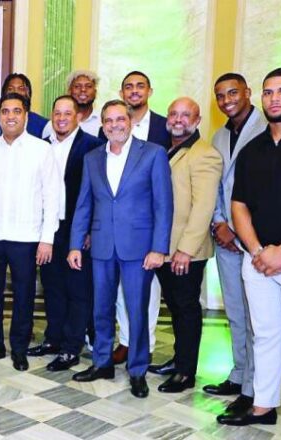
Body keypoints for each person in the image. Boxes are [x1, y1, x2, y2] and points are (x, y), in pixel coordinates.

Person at [69, 99, 173, 398]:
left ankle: (137, 369)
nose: (114, 125)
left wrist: (159, 248)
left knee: (137, 310)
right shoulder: (92, 158)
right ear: (103, 125)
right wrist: (75, 244)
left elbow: (163, 205)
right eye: (109, 120)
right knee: (101, 308)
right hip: (102, 245)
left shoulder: (153, 154)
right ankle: (102, 362)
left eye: (120, 119)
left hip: (139, 248)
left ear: (130, 122)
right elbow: (84, 204)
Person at [219, 68, 281, 438]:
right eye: (269, 92)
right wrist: (256, 251)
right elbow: (238, 204)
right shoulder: (253, 149)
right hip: (257, 262)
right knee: (264, 335)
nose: (274, 99)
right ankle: (263, 406)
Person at [0, 92, 61, 371]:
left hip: (27, 238)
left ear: (26, 116)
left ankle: (19, 348)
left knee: (24, 296)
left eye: (16, 111)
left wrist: (47, 239)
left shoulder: (42, 150)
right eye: (5, 111)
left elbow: (52, 198)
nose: (10, 116)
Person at [149, 97, 221, 392]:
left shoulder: (204, 154)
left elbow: (204, 206)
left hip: (185, 251)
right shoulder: (168, 149)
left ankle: (186, 372)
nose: (178, 120)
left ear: (197, 120)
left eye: (185, 115)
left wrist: (186, 250)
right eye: (173, 114)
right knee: (176, 307)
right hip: (166, 248)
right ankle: (179, 360)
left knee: (187, 308)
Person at [206, 72, 266, 420]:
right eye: (220, 95)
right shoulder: (219, 135)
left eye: (233, 92)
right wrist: (219, 223)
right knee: (235, 313)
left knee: (258, 318)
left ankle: (253, 389)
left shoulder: (267, 129)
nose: (226, 100)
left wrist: (241, 231)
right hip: (226, 240)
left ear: (247, 92)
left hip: (256, 240)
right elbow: (217, 185)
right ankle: (239, 373)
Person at [27, 95, 102, 371]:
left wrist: (89, 230)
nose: (61, 118)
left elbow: (98, 193)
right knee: (52, 287)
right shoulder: (42, 146)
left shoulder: (93, 146)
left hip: (77, 230)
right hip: (48, 230)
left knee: (78, 291)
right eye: (57, 113)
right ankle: (53, 339)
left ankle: (72, 347)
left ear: (78, 116)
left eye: (67, 113)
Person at [103, 70, 170, 365]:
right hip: (113, 236)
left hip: (144, 235)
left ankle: (145, 347)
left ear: (149, 91)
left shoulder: (162, 129)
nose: (134, 91)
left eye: (140, 86)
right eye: (128, 86)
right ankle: (126, 343)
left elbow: (163, 200)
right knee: (120, 295)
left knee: (146, 296)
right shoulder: (108, 133)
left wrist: (159, 245)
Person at [0, 73, 49, 138]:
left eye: (21, 89)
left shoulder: (43, 125)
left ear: (29, 93)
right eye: (10, 89)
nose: (16, 92)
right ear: (4, 93)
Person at [42, 70, 102, 141]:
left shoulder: (102, 122)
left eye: (88, 86)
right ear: (69, 91)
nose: (83, 89)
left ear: (95, 92)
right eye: (77, 86)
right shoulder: (53, 125)